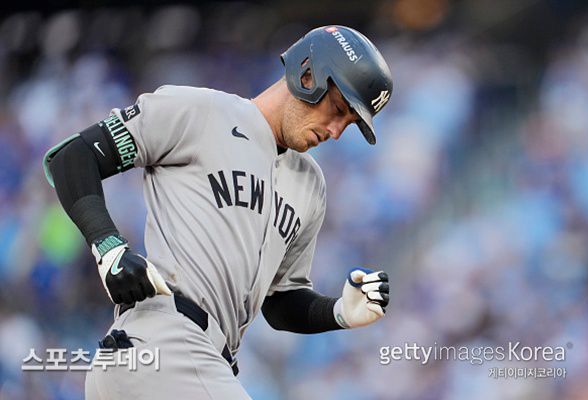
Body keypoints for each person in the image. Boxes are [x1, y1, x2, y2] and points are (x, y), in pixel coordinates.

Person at [43, 25, 393, 399]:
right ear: (307, 74)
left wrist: (338, 312)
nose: (337, 131)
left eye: (349, 123)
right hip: (166, 342)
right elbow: (73, 158)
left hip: (194, 360)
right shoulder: (203, 111)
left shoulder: (310, 186)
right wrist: (109, 247)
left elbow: (281, 303)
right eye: (337, 109)